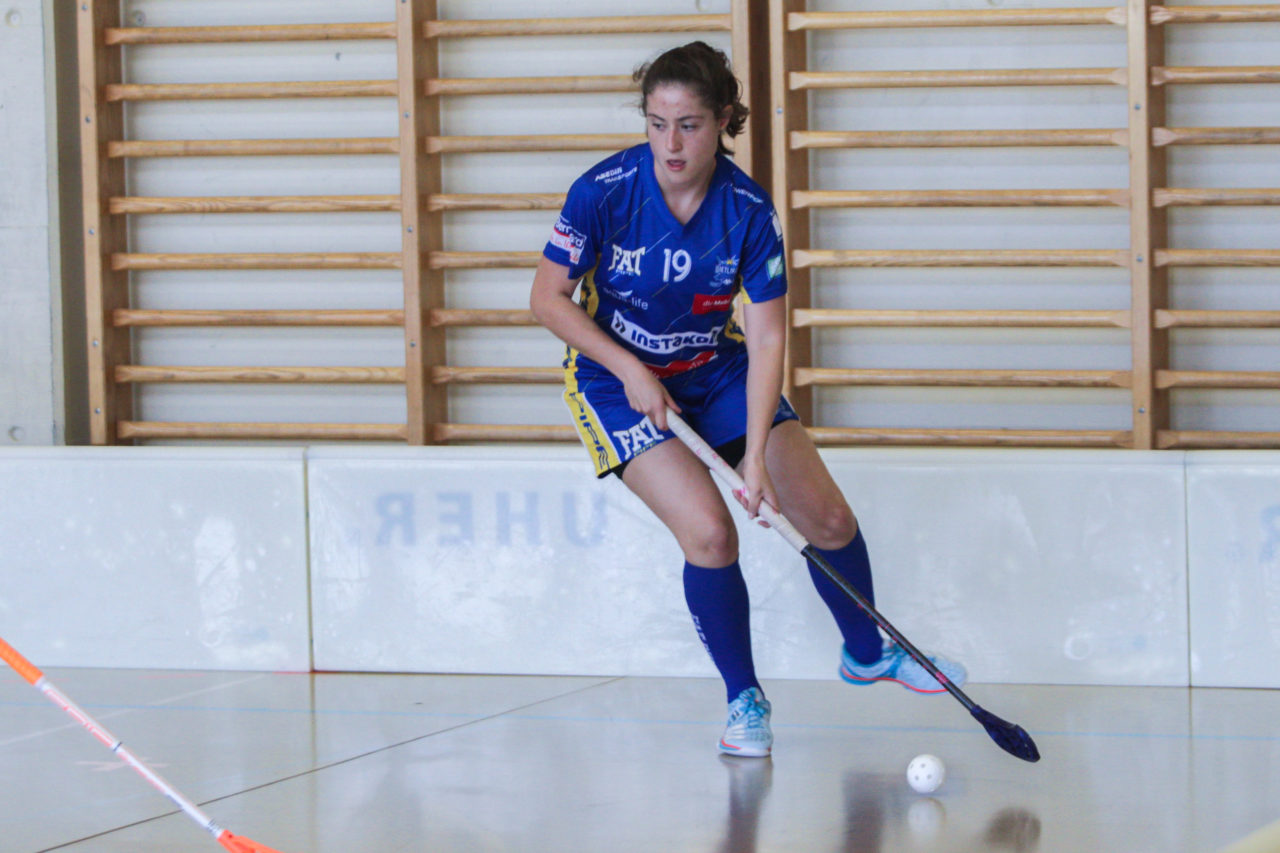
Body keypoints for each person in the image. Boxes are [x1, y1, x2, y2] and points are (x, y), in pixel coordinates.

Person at [529, 41, 965, 758]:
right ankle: (744, 698)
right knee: (710, 533)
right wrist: (628, 366)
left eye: (690, 124)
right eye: (657, 122)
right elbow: (547, 299)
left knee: (822, 512)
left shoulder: (749, 211)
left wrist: (755, 453)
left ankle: (866, 650)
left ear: (724, 119)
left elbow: (765, 340)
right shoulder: (602, 190)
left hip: (715, 368)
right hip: (615, 383)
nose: (670, 143)